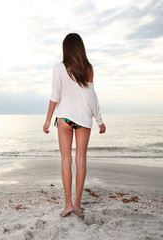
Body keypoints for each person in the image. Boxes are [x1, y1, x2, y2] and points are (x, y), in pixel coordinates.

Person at [43, 33, 106, 219]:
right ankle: (77, 205)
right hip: (83, 119)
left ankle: (67, 205)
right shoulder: (87, 68)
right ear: (80, 48)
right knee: (80, 159)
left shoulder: (58, 68)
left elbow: (55, 96)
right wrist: (99, 120)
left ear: (66, 49)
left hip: (64, 118)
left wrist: (47, 120)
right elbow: (91, 96)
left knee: (65, 160)